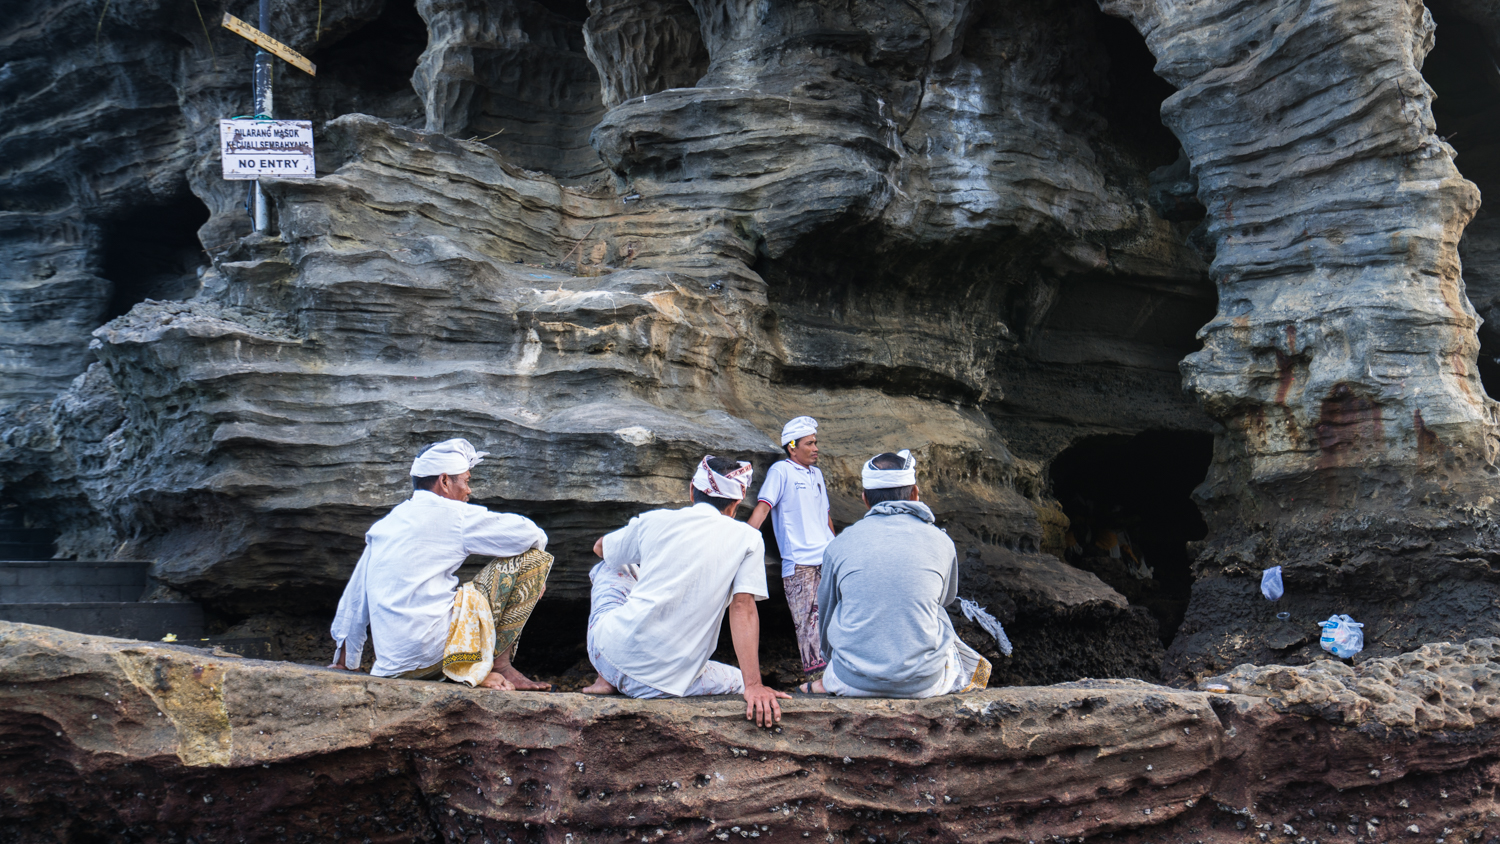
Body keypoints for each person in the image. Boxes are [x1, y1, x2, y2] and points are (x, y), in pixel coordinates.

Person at [328, 438, 553, 691]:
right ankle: (488, 666)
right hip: (435, 655)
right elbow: (531, 534)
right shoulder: (454, 514)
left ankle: (485, 667)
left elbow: (356, 595)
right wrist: (536, 580)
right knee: (532, 560)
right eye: (466, 481)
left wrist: (347, 661)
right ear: (445, 481)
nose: (469, 491)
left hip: (392, 666)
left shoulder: (387, 523)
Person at [581, 455, 790, 727]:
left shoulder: (655, 520)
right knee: (738, 681)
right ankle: (744, 682)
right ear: (736, 503)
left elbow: (601, 548)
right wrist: (754, 685)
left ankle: (605, 678)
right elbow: (742, 608)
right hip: (661, 686)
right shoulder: (748, 538)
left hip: (605, 653)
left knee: (610, 566)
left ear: (693, 489)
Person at [803, 450, 990, 698]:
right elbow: (945, 599)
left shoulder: (839, 545)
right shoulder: (941, 541)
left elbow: (826, 616)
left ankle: (824, 683)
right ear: (914, 494)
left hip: (852, 682)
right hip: (924, 685)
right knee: (942, 618)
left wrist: (836, 665)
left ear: (865, 499)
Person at [747, 415, 835, 678]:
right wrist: (742, 542)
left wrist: (839, 547)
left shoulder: (817, 474)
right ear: (792, 447)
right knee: (807, 621)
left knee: (834, 614)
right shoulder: (780, 471)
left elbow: (826, 516)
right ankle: (818, 679)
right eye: (809, 443)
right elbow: (763, 508)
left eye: (816, 442)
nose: (816, 448)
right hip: (799, 561)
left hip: (828, 557)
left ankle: (840, 672)